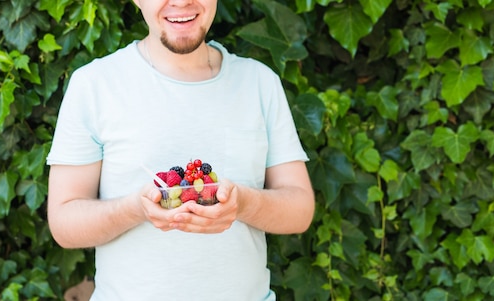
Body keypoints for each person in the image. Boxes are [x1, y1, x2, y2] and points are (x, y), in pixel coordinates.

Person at [46, 0, 315, 300]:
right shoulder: (94, 85)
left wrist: (243, 204)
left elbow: (300, 210)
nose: (180, 1)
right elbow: (63, 224)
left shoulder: (260, 82)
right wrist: (136, 209)